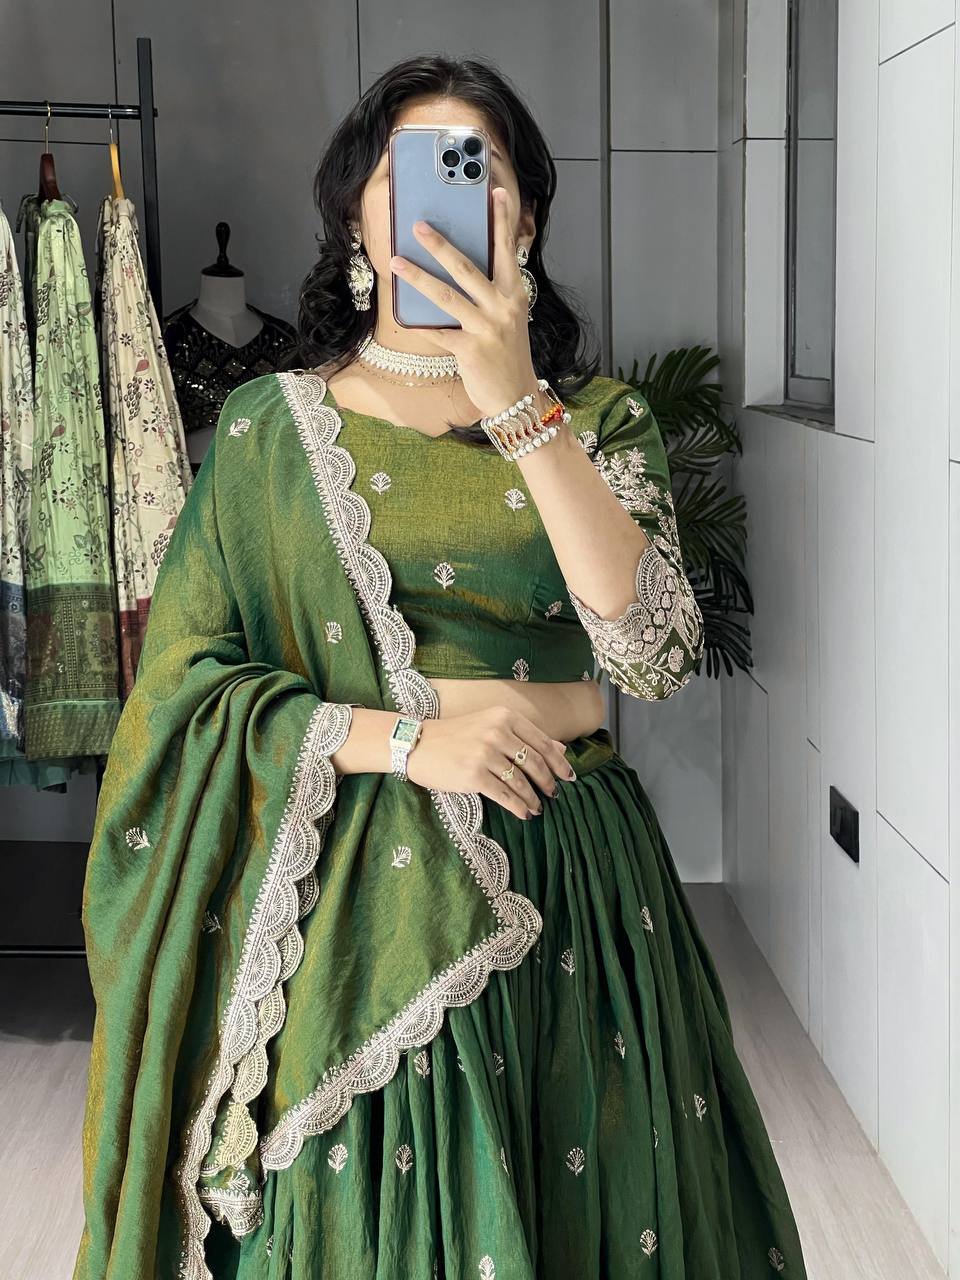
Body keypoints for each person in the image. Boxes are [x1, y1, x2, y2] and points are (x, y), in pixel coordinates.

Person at [73, 53, 808, 1280]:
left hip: (574, 876)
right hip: (362, 892)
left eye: (484, 170)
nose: (449, 197)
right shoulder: (268, 431)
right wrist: (415, 740)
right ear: (355, 220)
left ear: (528, 218)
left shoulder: (598, 419)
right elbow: (185, 693)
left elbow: (656, 652)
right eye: (409, 173)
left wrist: (518, 404)